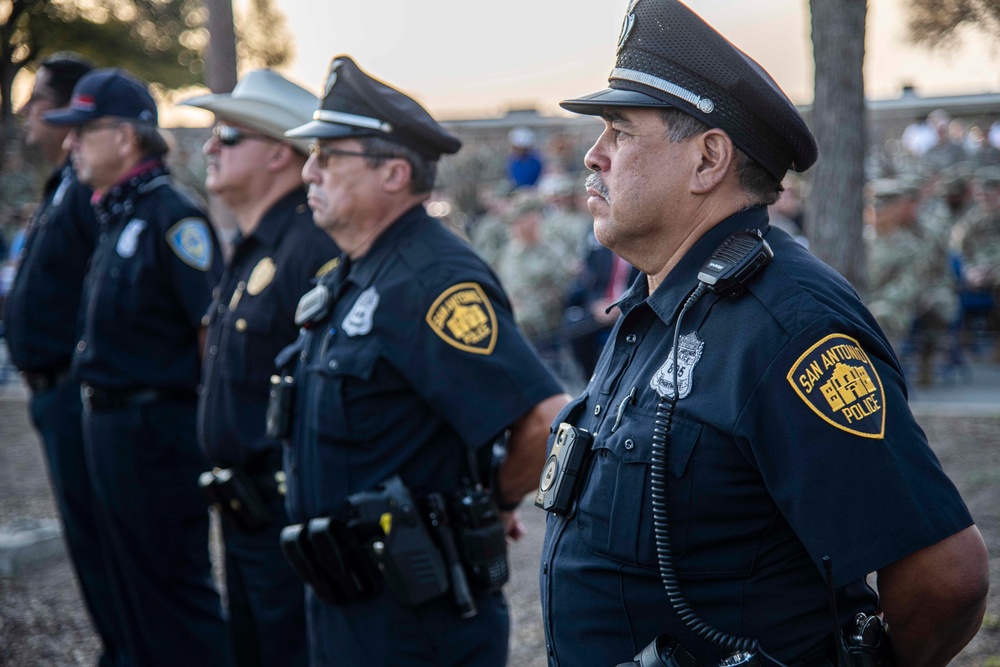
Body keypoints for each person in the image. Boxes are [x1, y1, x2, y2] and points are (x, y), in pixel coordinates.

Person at [540, 2, 989, 666]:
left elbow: (945, 579)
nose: (593, 154)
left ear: (708, 159)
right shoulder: (662, 305)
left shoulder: (785, 323)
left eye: (620, 131)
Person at [276, 55, 569, 667]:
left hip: (413, 617)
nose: (309, 171)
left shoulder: (431, 278)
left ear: (394, 172)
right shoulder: (351, 276)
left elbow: (544, 420)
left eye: (329, 156)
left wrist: (496, 503)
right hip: (345, 598)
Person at [43, 68, 231, 667]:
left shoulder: (172, 217)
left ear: (125, 137)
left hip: (156, 435)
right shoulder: (117, 213)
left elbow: (211, 335)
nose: (69, 143)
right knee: (130, 591)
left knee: (174, 590)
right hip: (110, 429)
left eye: (83, 130)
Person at [180, 69, 340, 667]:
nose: (209, 146)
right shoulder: (256, 247)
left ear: (280, 154)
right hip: (244, 514)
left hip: (283, 517)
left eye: (227, 133)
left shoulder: (308, 246)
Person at [2, 54, 130, 667]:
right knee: (87, 542)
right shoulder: (64, 186)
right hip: (52, 389)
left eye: (41, 101)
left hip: (75, 390)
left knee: (104, 544)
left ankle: (128, 650)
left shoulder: (85, 194)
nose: (31, 113)